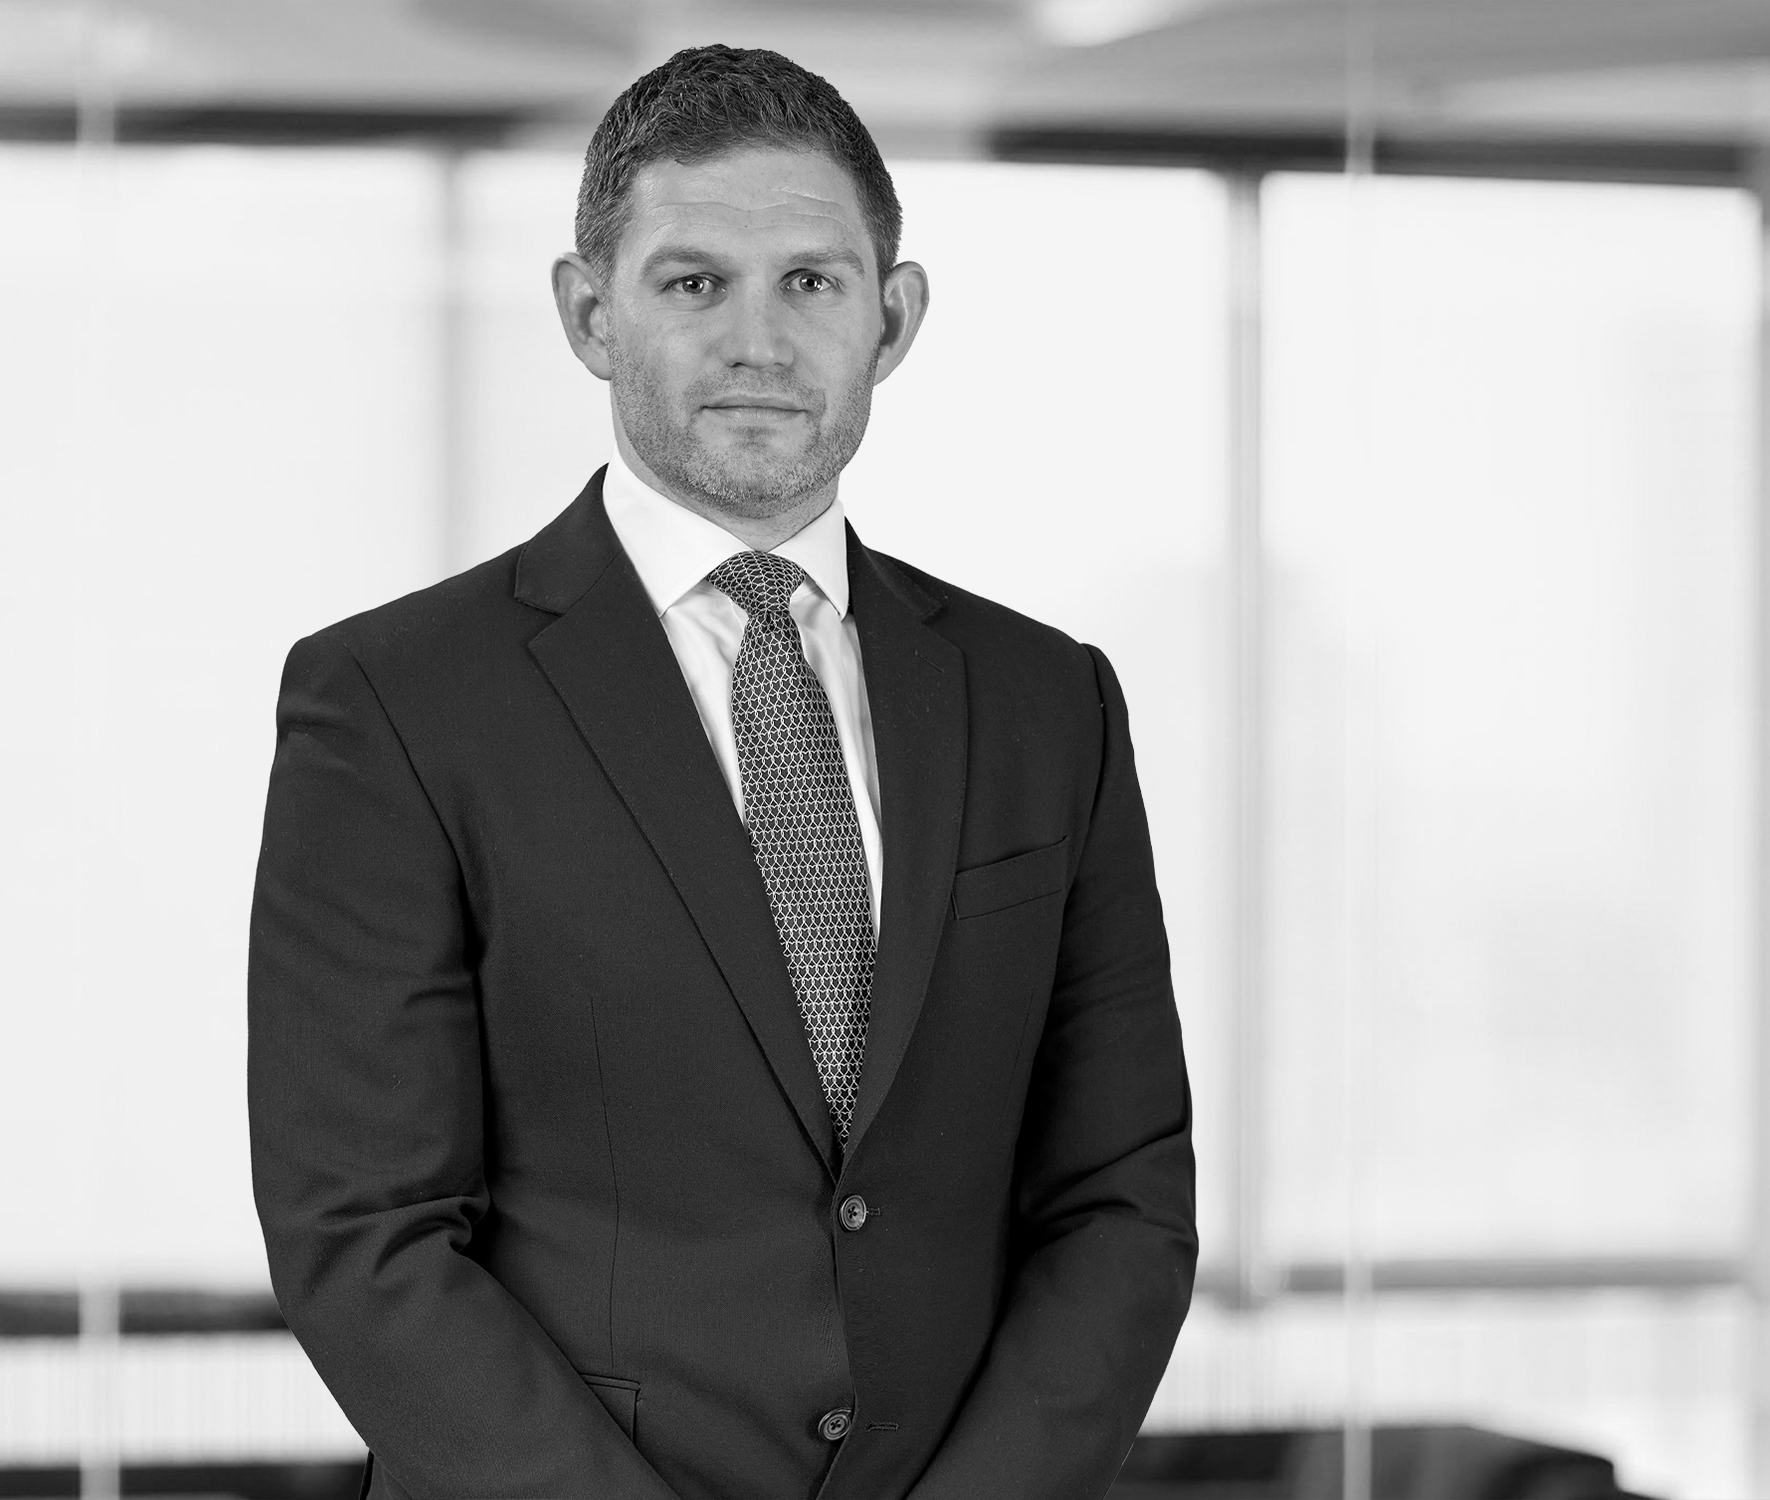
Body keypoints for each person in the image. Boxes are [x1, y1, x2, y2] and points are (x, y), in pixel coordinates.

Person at [246, 42, 1196, 1500]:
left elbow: (1120, 1200)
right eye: (694, 283)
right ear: (590, 313)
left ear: (894, 317)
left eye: (812, 281)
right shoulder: (395, 699)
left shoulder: (1046, 702)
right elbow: (364, 1233)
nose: (759, 341)